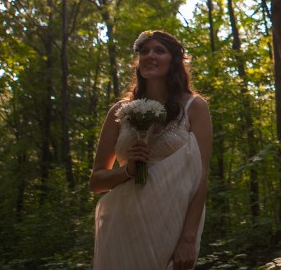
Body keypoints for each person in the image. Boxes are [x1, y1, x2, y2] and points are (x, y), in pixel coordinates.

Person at [89, 30, 212, 270]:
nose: (150, 56)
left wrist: (188, 238)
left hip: (172, 225)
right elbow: (96, 182)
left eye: (159, 50)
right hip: (123, 225)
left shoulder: (194, 107)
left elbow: (201, 177)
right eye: (144, 51)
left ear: (174, 60)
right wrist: (128, 171)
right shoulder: (120, 111)